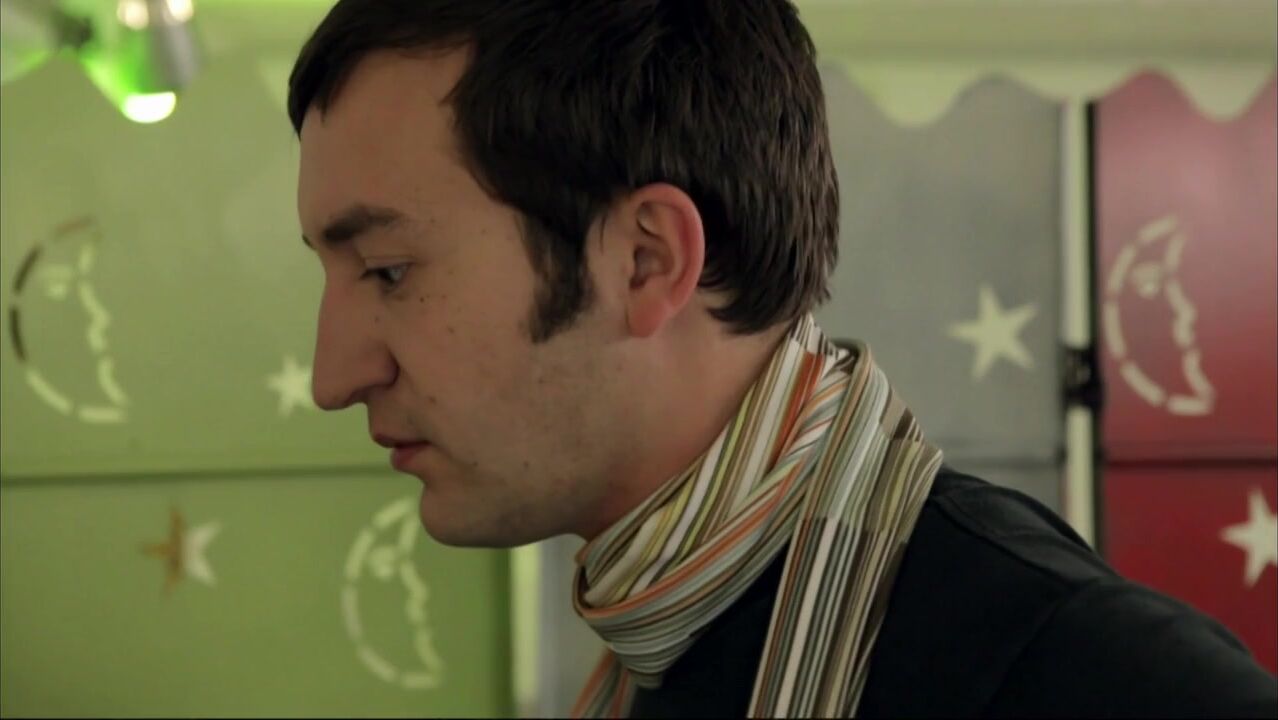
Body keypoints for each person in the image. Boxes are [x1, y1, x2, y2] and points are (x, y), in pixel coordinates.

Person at [286, 1, 1278, 716]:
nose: (333, 378)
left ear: (646, 261)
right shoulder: (662, 632)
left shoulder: (1090, 677)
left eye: (388, 271)